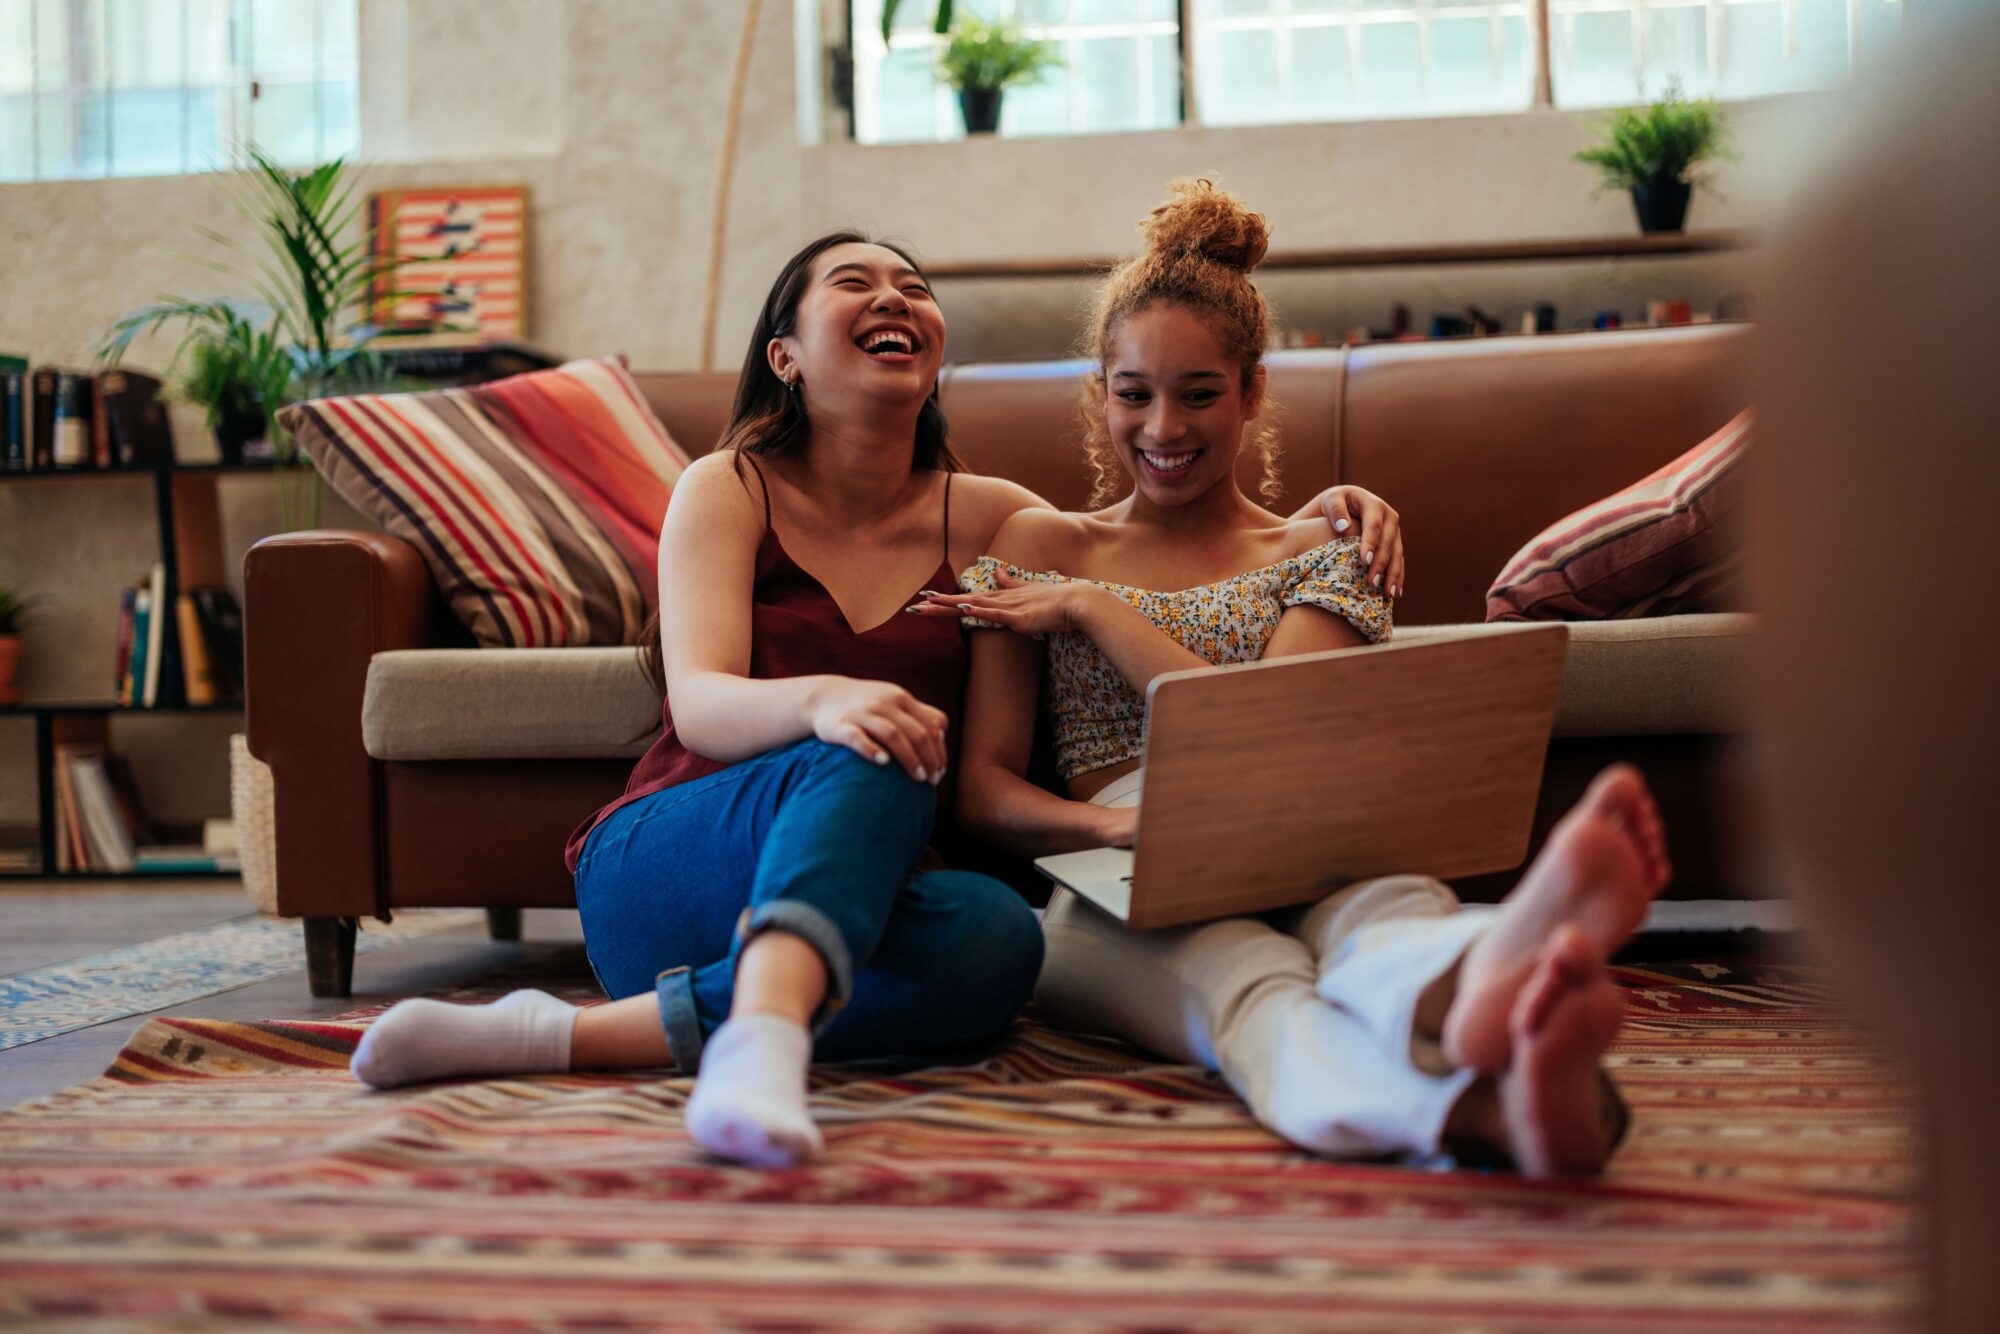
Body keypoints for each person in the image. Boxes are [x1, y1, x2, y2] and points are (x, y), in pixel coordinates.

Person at [346, 227, 1410, 1168]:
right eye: (854, 282)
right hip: (678, 861)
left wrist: (1320, 516)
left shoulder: (997, 518)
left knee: (1001, 942)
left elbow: (1147, 532)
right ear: (786, 356)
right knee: (878, 745)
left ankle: (555, 1033)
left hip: (862, 899)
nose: (894, 295)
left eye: (912, 284)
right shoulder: (727, 486)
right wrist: (823, 704)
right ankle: (759, 1035)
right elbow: (704, 700)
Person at [916, 180, 1672, 1175]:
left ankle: (1484, 982)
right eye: (1132, 392)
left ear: (1252, 391)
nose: (1161, 428)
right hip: (1120, 874)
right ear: (1098, 391)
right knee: (1250, 979)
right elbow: (983, 792)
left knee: (1383, 914)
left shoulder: (1326, 544)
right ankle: (1473, 1108)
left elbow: (1256, 732)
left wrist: (1098, 610)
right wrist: (1117, 825)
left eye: (1198, 392)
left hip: (1308, 829)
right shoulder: (1038, 543)